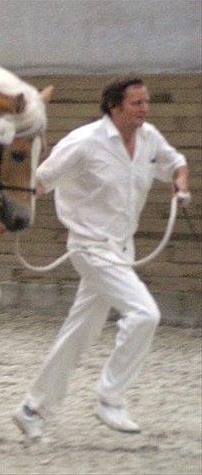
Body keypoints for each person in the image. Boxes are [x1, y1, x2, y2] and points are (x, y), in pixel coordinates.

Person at [11, 77, 191, 442]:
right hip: (90, 247)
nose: (145, 109)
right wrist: (8, 217)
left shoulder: (148, 138)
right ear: (115, 106)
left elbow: (176, 163)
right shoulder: (83, 143)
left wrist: (180, 184)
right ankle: (110, 398)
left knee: (80, 332)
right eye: (137, 103)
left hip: (123, 249)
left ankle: (32, 408)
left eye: (146, 102)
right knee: (145, 314)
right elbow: (39, 182)